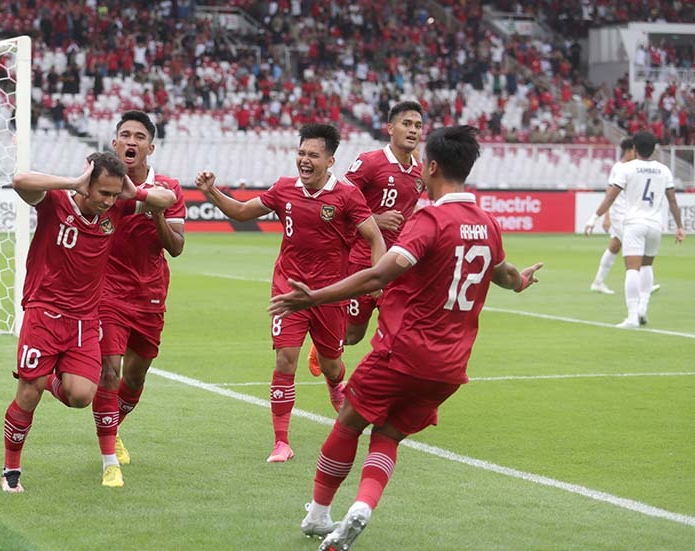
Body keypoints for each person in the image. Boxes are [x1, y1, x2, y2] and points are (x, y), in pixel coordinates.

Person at [269, 126, 543, 550]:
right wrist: (522, 282)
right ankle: (362, 506)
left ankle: (320, 514)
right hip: (450, 368)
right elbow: (505, 274)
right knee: (389, 434)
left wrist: (313, 298)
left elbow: (379, 274)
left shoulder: (430, 220)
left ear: (431, 166)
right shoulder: (488, 224)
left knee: (349, 422)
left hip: (402, 353)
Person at [195, 123, 386, 463]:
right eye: (301, 153)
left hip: (330, 293)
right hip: (289, 289)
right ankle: (281, 441)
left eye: (313, 155)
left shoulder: (346, 195)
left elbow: (374, 237)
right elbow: (241, 212)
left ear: (330, 161)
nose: (305, 160)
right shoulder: (284, 189)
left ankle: (334, 385)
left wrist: (380, 275)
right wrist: (212, 191)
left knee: (332, 365)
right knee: (285, 359)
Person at [1, 152, 176, 493]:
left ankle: (48, 377)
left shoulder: (117, 208)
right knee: (28, 393)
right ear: (87, 185)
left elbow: (167, 199)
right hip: (44, 312)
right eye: (103, 193)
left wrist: (133, 193)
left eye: (114, 194)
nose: (108, 201)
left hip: (84, 319)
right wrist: (73, 182)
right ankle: (11, 469)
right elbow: (20, 181)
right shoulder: (55, 203)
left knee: (81, 395)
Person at [91, 110, 186, 488]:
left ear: (150, 146)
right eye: (125, 135)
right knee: (109, 371)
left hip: (150, 294)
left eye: (139, 136)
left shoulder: (169, 187)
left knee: (135, 375)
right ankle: (108, 460)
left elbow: (176, 248)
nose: (131, 141)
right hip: (108, 292)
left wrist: (156, 215)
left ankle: (112, 429)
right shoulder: (101, 182)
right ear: (115, 143)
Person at [307, 100, 424, 377]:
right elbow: (339, 199)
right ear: (390, 128)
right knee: (352, 335)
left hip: (397, 264)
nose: (413, 130)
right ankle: (323, 346)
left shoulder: (420, 172)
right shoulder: (370, 162)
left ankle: (387, 382)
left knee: (400, 331)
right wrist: (375, 219)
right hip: (362, 261)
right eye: (406, 124)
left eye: (418, 125)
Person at [585, 131, 685, 328]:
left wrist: (594, 217)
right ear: (654, 149)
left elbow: (610, 197)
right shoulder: (663, 170)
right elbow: (672, 200)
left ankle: (632, 317)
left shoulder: (627, 168)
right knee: (647, 266)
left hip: (634, 224)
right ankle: (643, 309)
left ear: (635, 148)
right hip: (655, 225)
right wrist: (680, 227)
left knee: (632, 269)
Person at [590, 138, 662, 295]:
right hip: (621, 216)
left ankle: (598, 282)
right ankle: (645, 285)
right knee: (639, 248)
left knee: (614, 246)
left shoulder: (632, 167)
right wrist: (606, 217)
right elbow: (610, 193)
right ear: (629, 151)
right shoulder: (620, 168)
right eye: (634, 152)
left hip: (626, 214)